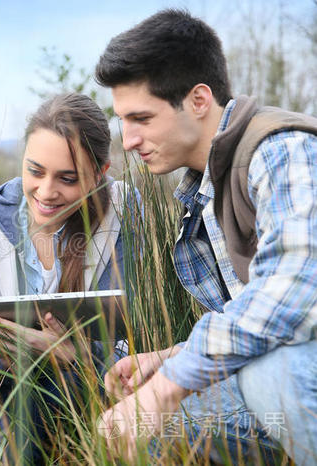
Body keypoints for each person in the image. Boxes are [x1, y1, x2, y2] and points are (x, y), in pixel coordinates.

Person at [94, 9, 317, 464]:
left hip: (291, 368)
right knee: (156, 433)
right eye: (123, 121)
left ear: (198, 100)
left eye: (141, 118)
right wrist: (171, 357)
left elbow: (293, 294)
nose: (129, 140)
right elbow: (255, 315)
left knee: (269, 378)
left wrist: (167, 386)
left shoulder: (282, 151)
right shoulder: (204, 190)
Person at [0, 92, 137, 461]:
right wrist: (11, 354)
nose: (47, 192)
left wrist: (73, 355)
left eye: (67, 179)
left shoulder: (125, 213)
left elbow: (131, 336)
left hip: (97, 389)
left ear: (101, 174)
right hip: (5, 389)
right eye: (34, 171)